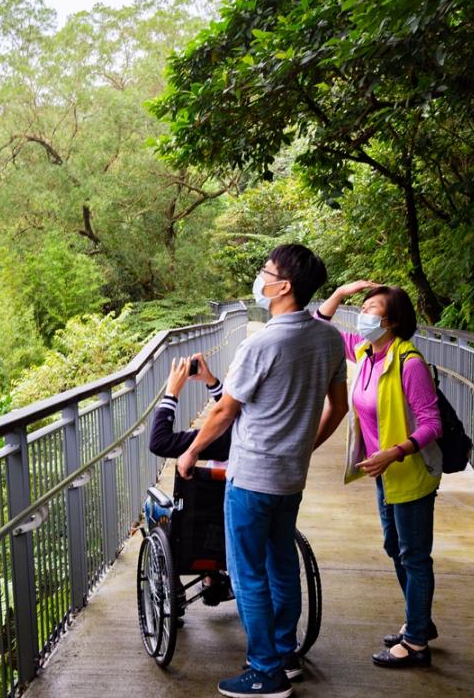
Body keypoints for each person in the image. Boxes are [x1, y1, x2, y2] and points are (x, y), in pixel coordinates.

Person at [177, 244, 350, 698]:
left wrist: (191, 452)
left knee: (249, 572)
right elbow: (339, 407)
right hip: (291, 477)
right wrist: (306, 447)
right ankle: (285, 654)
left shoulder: (262, 343)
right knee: (281, 564)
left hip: (252, 475)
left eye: (266, 272)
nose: (261, 278)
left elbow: (223, 413)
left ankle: (263, 671)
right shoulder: (329, 339)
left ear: (284, 286)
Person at [317, 281, 443, 668]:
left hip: (410, 474)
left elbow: (432, 423)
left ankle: (417, 641)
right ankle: (418, 620)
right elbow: (317, 327)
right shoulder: (366, 352)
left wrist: (394, 452)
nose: (364, 312)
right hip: (384, 475)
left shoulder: (410, 363)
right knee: (395, 547)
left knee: (415, 556)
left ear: (391, 320)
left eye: (371, 307)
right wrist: (340, 292)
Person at [149, 353, 233, 606]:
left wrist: (171, 393)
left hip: (201, 536)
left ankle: (174, 586)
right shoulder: (255, 431)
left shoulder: (215, 441)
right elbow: (232, 413)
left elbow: (159, 441)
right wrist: (212, 383)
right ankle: (213, 580)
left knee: (154, 507)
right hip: (241, 523)